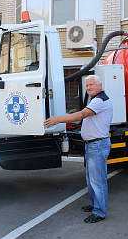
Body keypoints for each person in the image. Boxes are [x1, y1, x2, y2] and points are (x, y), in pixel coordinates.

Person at [43, 75, 113, 223]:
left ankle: (99, 212)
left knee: (97, 180)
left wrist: (58, 119)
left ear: (100, 86)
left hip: (97, 145)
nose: (88, 88)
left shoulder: (100, 101)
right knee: (91, 179)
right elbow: (83, 117)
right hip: (92, 145)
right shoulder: (95, 100)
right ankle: (95, 205)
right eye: (87, 85)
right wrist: (68, 116)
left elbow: (82, 114)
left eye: (91, 85)